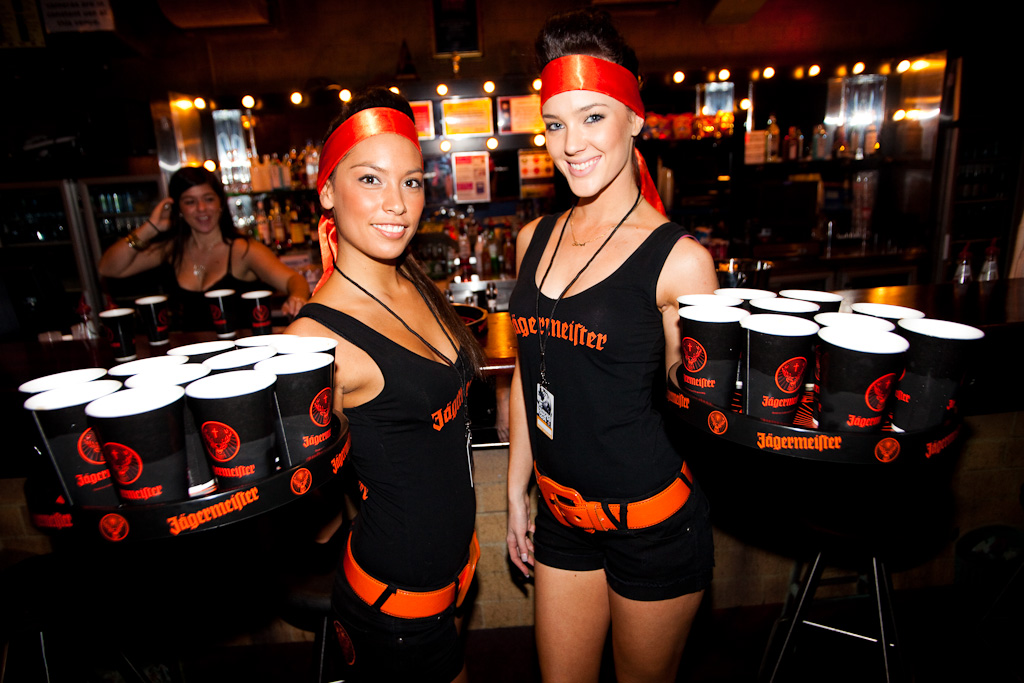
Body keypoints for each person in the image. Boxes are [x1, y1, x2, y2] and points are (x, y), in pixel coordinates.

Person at [505, 9, 719, 683]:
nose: (571, 144)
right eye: (555, 124)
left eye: (593, 117)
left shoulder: (680, 260)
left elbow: (700, 398)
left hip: (653, 529)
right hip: (561, 517)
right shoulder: (531, 240)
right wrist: (515, 488)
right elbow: (527, 371)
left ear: (635, 118)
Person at [286, 88, 485, 683]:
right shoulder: (312, 340)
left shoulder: (411, 279)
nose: (396, 204)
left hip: (452, 580)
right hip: (395, 610)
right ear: (327, 190)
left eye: (411, 182)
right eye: (370, 179)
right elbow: (290, 489)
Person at [98, 166, 310, 330]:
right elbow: (108, 268)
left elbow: (294, 280)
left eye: (208, 199)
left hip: (240, 358)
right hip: (189, 357)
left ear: (220, 203)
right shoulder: (172, 249)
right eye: (190, 202)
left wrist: (297, 297)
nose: (201, 209)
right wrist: (151, 227)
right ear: (178, 208)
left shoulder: (242, 250)